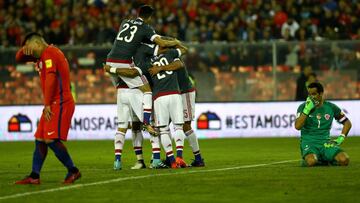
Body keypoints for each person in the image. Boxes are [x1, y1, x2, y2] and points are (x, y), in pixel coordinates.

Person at [14, 32, 80, 184]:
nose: (26, 50)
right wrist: (24, 50)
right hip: (53, 103)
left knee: (50, 139)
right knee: (40, 139)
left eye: (28, 46)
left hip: (60, 102)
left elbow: (51, 79)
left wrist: (47, 104)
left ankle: (73, 171)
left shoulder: (50, 53)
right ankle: (34, 176)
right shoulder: (41, 56)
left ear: (37, 44)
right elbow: (18, 58)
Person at [105, 4, 179, 133]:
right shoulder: (146, 28)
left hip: (110, 59)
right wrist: (175, 42)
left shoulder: (125, 22)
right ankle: (146, 123)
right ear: (149, 17)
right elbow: (162, 43)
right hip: (123, 62)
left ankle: (128, 122)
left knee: (124, 88)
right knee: (146, 90)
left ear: (138, 13)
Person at [149, 44, 205, 167]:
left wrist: (160, 68)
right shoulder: (164, 57)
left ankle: (196, 158)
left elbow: (179, 65)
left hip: (185, 91)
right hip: (174, 93)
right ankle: (169, 158)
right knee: (165, 126)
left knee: (185, 125)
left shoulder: (172, 55)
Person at [295, 82, 351, 167]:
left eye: (313, 94)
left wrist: (341, 138)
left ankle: (324, 159)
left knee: (344, 160)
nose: (311, 97)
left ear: (321, 94)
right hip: (309, 143)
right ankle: (315, 159)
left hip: (325, 143)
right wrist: (307, 110)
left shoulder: (331, 107)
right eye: (309, 95)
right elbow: (297, 126)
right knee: (311, 161)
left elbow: (347, 123)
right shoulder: (303, 107)